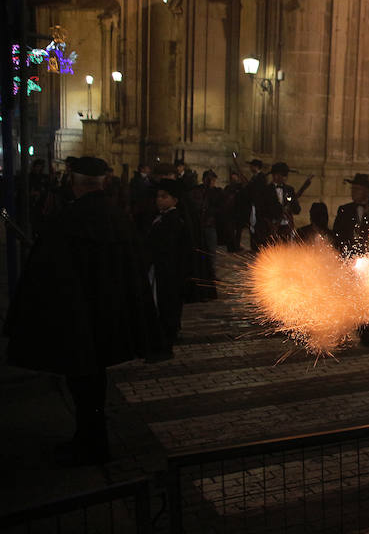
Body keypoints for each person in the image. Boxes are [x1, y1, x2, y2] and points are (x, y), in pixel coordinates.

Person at [4, 156, 160, 465]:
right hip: (111, 317)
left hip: (79, 319)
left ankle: (92, 441)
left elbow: (48, 273)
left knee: (83, 382)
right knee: (93, 380)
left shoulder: (67, 220)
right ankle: (90, 437)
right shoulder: (118, 218)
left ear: (76, 185)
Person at [333, 173, 369, 345]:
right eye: (353, 189)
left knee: (368, 298)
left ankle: (367, 333)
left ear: (366, 191)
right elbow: (338, 234)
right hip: (351, 259)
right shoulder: (345, 209)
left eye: (357, 189)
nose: (353, 192)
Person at [148, 178, 194, 357]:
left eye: (164, 196)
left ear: (175, 200)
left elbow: (175, 251)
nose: (159, 200)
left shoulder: (174, 221)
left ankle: (164, 346)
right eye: (158, 196)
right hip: (160, 271)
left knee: (167, 309)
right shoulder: (162, 219)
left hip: (169, 274)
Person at [189, 170, 225, 296]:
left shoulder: (216, 193)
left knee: (211, 251)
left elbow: (220, 206)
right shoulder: (197, 191)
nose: (212, 183)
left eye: (214, 180)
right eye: (210, 180)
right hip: (200, 226)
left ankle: (211, 273)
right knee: (201, 251)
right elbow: (196, 205)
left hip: (210, 226)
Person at [255, 162, 307, 243]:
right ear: (275, 175)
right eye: (283, 174)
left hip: (286, 228)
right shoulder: (265, 191)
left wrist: (291, 206)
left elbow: (297, 209)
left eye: (285, 175)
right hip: (270, 227)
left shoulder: (290, 189)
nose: (285, 177)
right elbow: (261, 211)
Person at [245, 159, 268, 252]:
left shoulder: (261, 177)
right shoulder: (254, 177)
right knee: (252, 225)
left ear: (256, 167)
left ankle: (257, 245)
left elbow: (258, 191)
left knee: (257, 225)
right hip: (253, 205)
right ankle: (254, 245)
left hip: (258, 206)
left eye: (252, 166)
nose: (250, 168)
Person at [222, 172, 246, 252]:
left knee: (238, 231)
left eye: (235, 178)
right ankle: (231, 247)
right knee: (230, 231)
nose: (234, 180)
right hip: (230, 213)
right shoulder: (228, 188)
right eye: (232, 178)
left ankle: (236, 246)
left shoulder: (241, 188)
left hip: (238, 212)